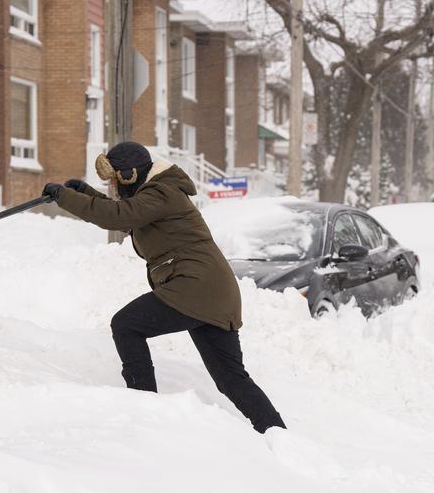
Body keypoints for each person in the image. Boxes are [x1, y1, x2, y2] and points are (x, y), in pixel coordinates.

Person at [42, 141, 286, 434]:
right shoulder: (156, 194)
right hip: (214, 291)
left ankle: (144, 408)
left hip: (195, 286)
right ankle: (277, 434)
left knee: (126, 325)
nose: (114, 189)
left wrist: (66, 198)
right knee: (230, 378)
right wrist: (84, 194)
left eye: (115, 182)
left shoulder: (161, 193)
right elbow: (126, 216)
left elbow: (119, 216)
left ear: (130, 176)